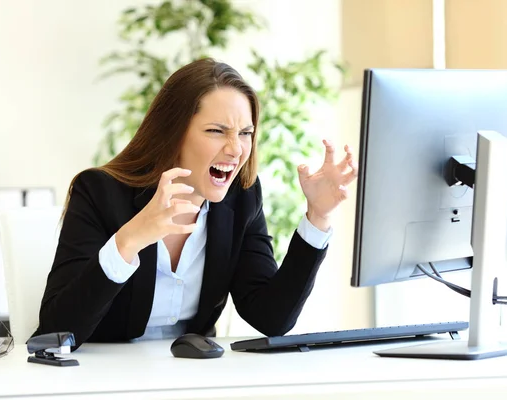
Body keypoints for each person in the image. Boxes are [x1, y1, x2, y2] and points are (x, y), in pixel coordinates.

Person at [33, 58, 358, 349]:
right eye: (217, 131)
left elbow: (271, 317)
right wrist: (130, 239)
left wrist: (318, 217)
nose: (235, 150)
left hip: (193, 379)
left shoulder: (242, 197)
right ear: (173, 134)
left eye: (245, 133)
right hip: (101, 382)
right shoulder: (99, 192)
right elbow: (58, 330)